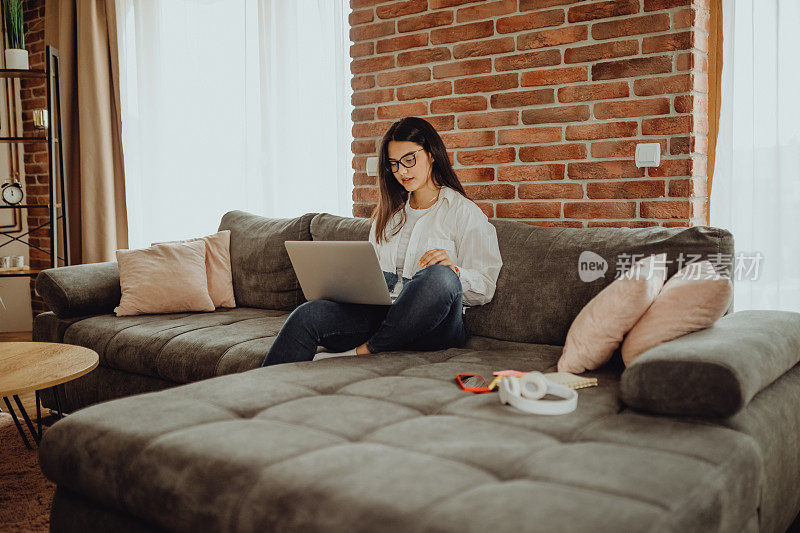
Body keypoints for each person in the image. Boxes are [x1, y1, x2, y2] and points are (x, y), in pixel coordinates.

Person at [261, 116, 503, 367]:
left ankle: (365, 350)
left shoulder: (463, 212)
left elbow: (485, 287)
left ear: (431, 154)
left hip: (435, 327)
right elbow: (370, 279)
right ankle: (259, 393)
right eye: (394, 164)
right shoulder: (388, 216)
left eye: (410, 159)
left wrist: (454, 270)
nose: (402, 171)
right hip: (382, 314)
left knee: (440, 277)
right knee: (307, 314)